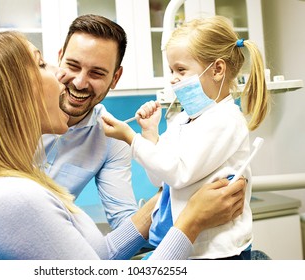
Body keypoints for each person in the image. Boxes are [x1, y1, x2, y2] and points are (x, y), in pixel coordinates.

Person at [0, 30, 246, 260]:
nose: (64, 76)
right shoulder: (14, 200)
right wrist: (191, 222)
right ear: (14, 97)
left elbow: (98, 257)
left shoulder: (19, 183)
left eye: (97, 72)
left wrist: (164, 201)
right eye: (44, 64)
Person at [0, 14, 136, 236]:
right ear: (60, 59)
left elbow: (124, 219)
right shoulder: (5, 110)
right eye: (72, 65)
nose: (79, 82)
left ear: (115, 78)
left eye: (96, 73)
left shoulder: (112, 137)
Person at [101, 15, 270, 259]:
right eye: (171, 70)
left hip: (219, 255)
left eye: (181, 70)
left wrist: (131, 138)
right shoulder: (182, 120)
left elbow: (179, 173)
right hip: (188, 249)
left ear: (218, 69)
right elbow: (160, 179)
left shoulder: (225, 121)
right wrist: (149, 135)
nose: (172, 78)